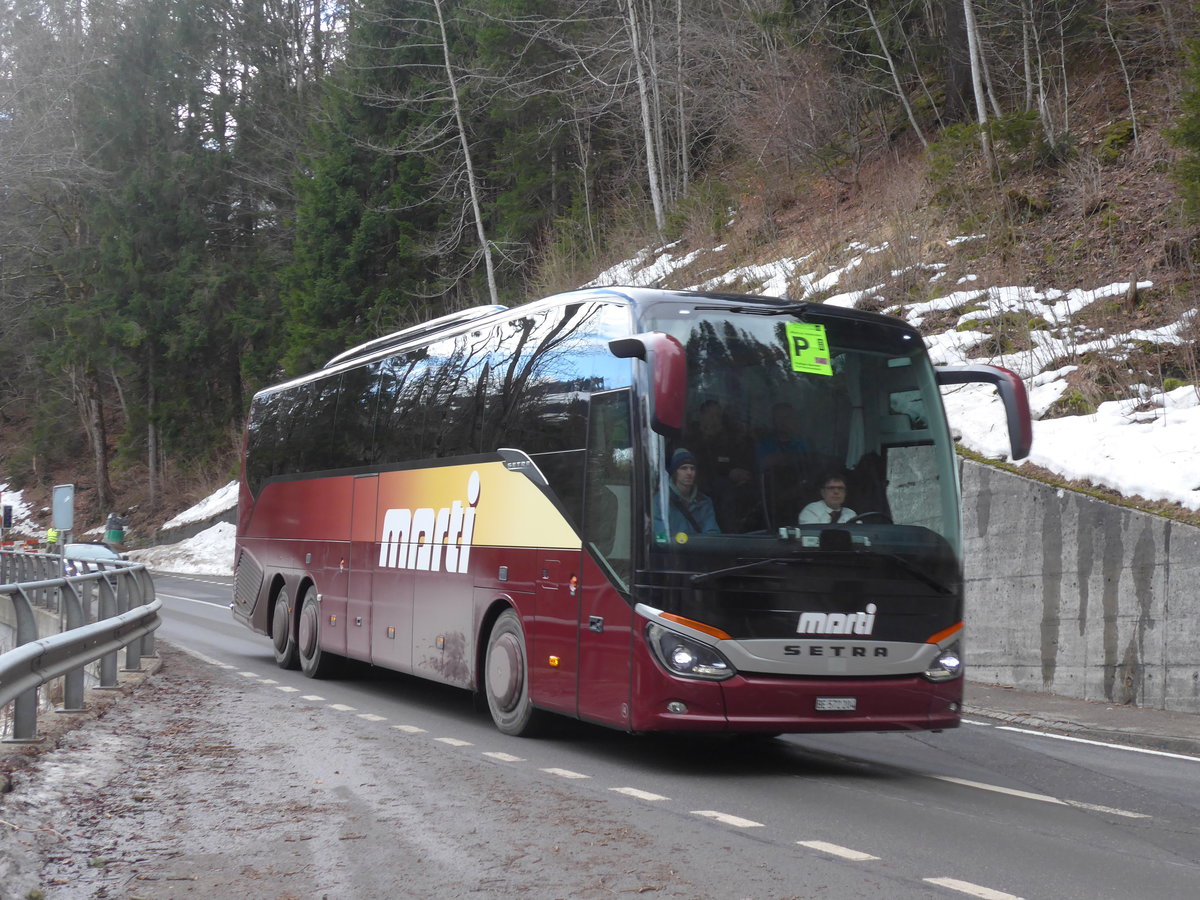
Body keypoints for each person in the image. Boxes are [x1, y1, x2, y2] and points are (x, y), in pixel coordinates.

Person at [684, 399, 758, 531]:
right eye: (710, 415)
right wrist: (728, 474)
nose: (714, 419)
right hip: (698, 494)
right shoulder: (689, 439)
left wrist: (740, 474)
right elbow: (693, 469)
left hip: (731, 496)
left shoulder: (728, 441)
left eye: (718, 416)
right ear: (701, 416)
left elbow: (734, 462)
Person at [663, 448, 720, 538]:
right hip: (671, 551)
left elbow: (712, 535)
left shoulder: (704, 502)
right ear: (675, 472)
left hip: (698, 551)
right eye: (684, 468)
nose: (689, 473)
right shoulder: (661, 500)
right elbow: (660, 536)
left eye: (692, 468)